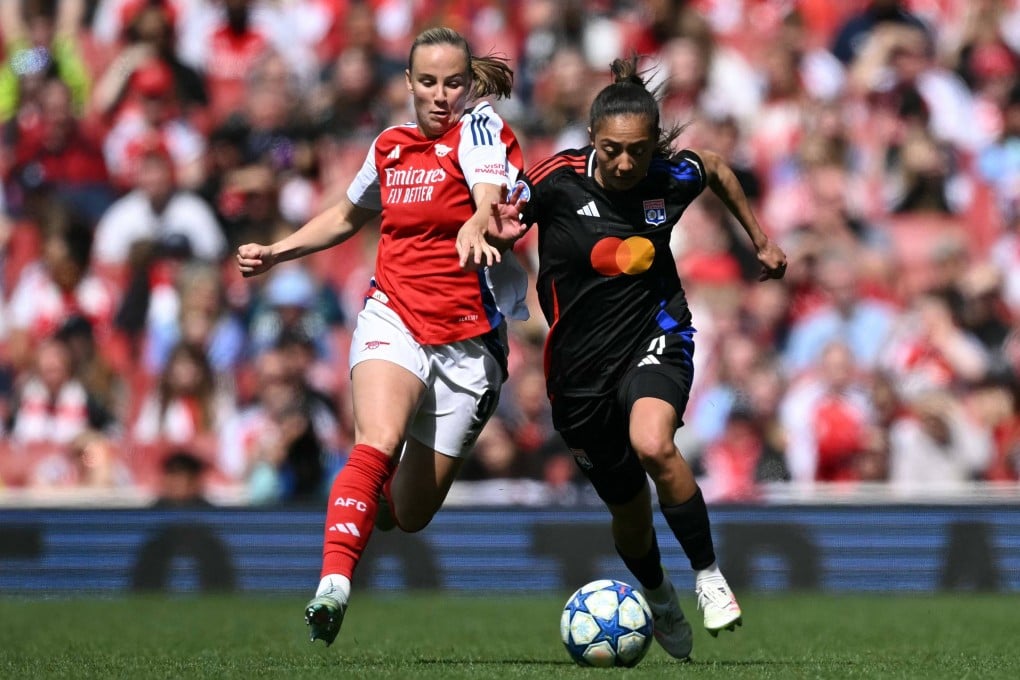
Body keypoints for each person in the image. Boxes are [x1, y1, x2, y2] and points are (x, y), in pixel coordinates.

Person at [489, 57, 787, 660]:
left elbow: (718, 169)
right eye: (612, 150)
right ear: (592, 141)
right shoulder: (557, 180)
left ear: (653, 144)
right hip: (578, 374)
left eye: (637, 150)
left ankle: (708, 575)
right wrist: (490, 227)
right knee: (627, 509)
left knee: (654, 443)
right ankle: (659, 596)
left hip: (657, 334)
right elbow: (503, 206)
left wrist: (761, 239)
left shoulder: (669, 175)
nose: (625, 164)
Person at [235, 26, 525, 645]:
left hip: (468, 344)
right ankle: (333, 588)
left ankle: (376, 508)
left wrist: (480, 218)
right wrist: (278, 252)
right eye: (428, 82)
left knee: (412, 513)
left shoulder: (480, 131)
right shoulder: (389, 147)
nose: (441, 95)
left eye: (453, 82)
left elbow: (486, 186)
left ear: (469, 85)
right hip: (393, 312)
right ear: (408, 84)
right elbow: (347, 214)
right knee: (376, 439)